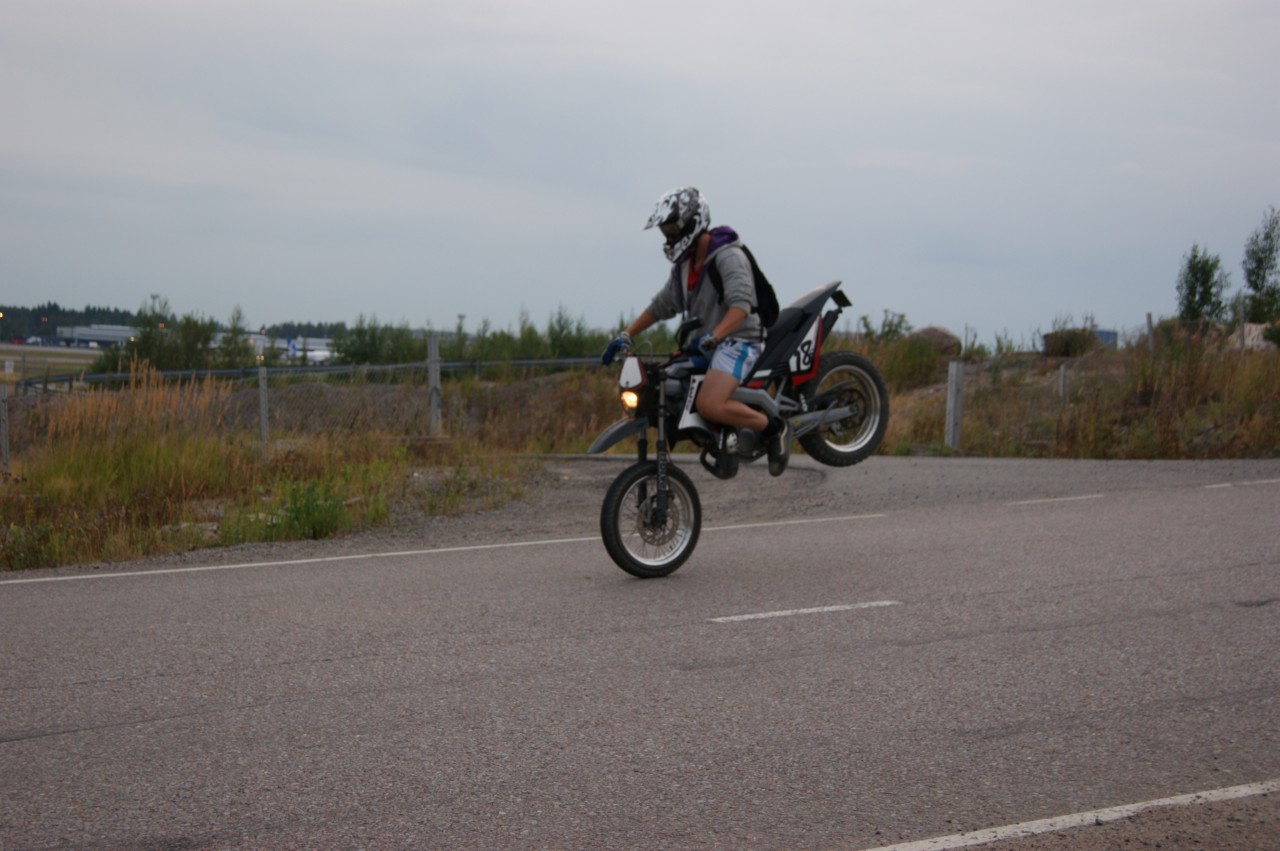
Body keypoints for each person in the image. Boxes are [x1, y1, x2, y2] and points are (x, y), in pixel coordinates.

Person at [601, 186, 790, 476]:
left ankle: (774, 428)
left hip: (740, 339)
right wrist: (626, 334)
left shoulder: (728, 256)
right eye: (665, 231)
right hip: (706, 344)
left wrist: (715, 335)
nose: (668, 237)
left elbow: (740, 307)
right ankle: (722, 442)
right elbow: (662, 305)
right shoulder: (685, 265)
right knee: (665, 384)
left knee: (709, 403)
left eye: (672, 229)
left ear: (692, 222)